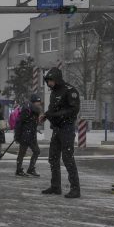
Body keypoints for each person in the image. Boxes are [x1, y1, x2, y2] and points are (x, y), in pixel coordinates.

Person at [39, 67, 81, 198]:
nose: (49, 83)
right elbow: (53, 109)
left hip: (66, 128)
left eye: (51, 80)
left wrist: (55, 115)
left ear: (57, 79)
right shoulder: (53, 92)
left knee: (68, 158)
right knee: (53, 158)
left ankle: (75, 189)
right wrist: (46, 115)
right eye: (47, 81)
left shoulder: (70, 91)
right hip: (56, 129)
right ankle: (56, 186)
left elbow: (73, 110)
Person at [14, 93, 42, 177]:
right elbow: (20, 122)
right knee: (23, 152)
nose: (39, 103)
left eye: (39, 102)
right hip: (26, 135)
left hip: (31, 134)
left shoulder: (34, 110)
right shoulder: (27, 109)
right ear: (33, 102)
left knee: (35, 151)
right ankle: (20, 170)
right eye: (37, 102)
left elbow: (30, 122)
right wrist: (17, 135)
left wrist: (35, 129)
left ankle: (29, 169)